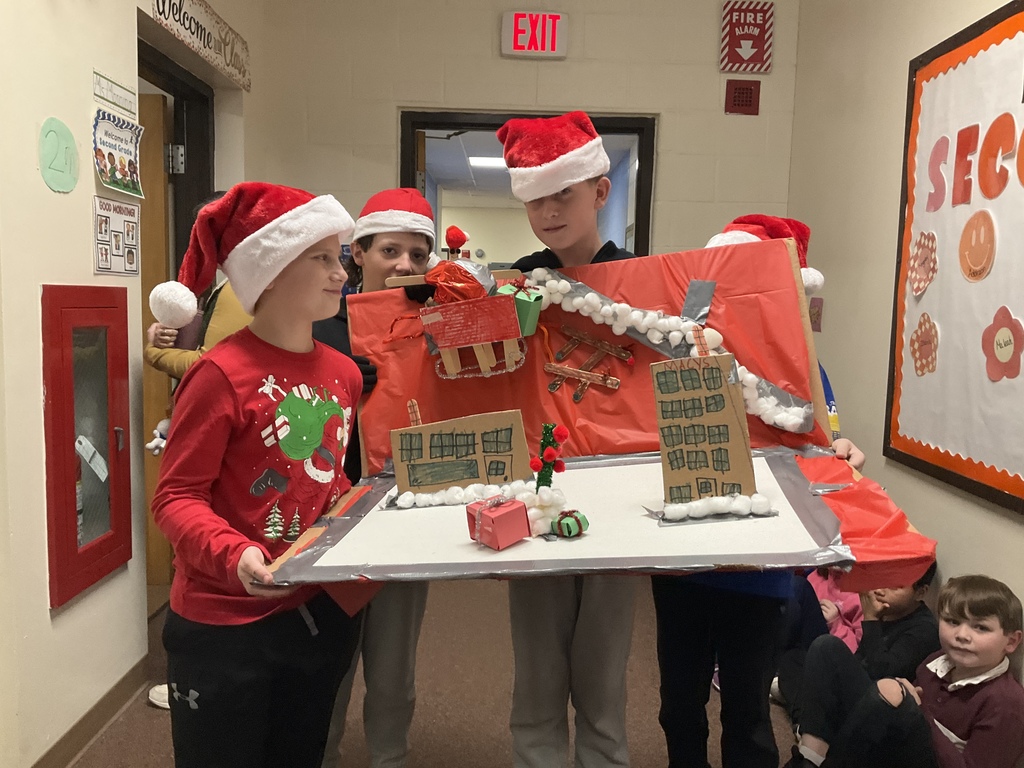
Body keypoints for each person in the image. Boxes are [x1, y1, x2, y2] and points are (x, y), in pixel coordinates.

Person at [149, 181, 363, 768]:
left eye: (339, 256)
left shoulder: (345, 375)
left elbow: (325, 479)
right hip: (223, 626)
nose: (340, 273)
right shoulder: (218, 375)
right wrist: (232, 554)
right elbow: (175, 497)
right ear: (268, 273)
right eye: (320, 258)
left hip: (315, 616)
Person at [496, 110, 636, 768]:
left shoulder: (643, 282)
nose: (549, 212)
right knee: (536, 678)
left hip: (618, 494)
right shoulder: (518, 279)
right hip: (536, 489)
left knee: (604, 684)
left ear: (600, 193)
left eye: (565, 195)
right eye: (536, 200)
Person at [316, 188, 436, 768]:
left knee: (394, 668)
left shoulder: (437, 324)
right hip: (327, 518)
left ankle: (389, 757)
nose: (404, 265)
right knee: (328, 663)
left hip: (405, 516)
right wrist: (338, 380)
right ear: (357, 253)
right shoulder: (317, 324)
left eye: (418, 254)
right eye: (390, 250)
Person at [785, 574, 1024, 768]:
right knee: (825, 647)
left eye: (980, 628)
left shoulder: (1006, 702)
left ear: (1011, 642)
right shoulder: (936, 661)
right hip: (892, 747)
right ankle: (809, 759)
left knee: (888, 691)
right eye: (952, 622)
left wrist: (916, 709)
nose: (962, 635)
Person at [780, 561, 940, 734]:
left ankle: (812, 724)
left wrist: (870, 619)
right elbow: (859, 658)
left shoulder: (924, 629)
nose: (880, 590)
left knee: (825, 645)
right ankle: (804, 723)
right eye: (880, 580)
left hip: (880, 703)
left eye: (894, 587)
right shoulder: (888, 611)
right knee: (793, 658)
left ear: (920, 592)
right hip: (859, 683)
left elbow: (880, 672)